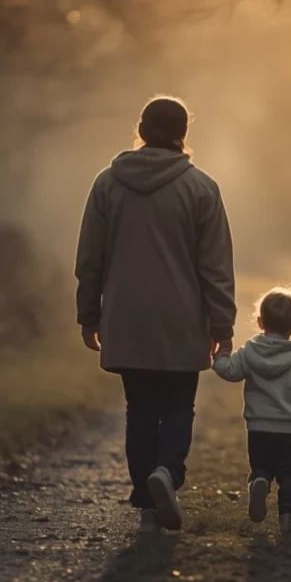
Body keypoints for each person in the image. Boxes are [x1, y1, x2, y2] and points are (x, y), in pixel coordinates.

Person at [74, 96, 236, 534]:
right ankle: (167, 472)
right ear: (184, 134)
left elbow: (90, 258)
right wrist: (222, 325)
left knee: (140, 409)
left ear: (141, 129)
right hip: (182, 319)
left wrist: (88, 315)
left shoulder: (107, 184)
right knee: (179, 404)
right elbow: (216, 267)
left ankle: (148, 507)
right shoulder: (202, 188)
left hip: (126, 316)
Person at [211, 287, 291, 533]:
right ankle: (287, 517)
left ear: (260, 322)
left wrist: (220, 355)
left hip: (258, 427)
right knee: (289, 473)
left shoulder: (249, 351)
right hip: (290, 430)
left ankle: (260, 481)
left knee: (261, 466)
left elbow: (230, 371)